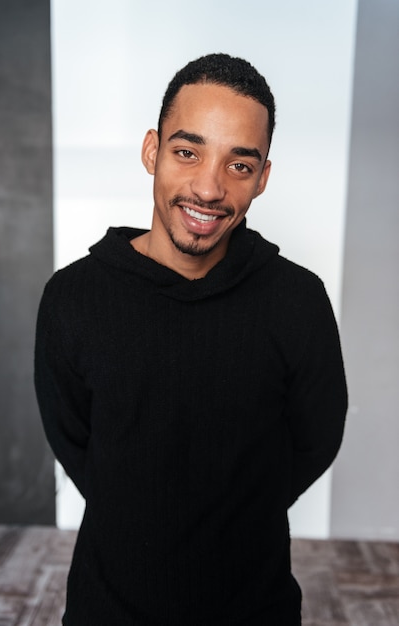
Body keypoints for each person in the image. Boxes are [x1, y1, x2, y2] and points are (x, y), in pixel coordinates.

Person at [34, 53, 348, 626]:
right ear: (152, 151)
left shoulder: (297, 300)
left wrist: (241, 512)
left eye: (239, 165)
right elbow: (74, 437)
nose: (208, 188)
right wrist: (140, 509)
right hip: (110, 608)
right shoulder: (73, 298)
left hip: (255, 608)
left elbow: (317, 437)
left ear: (263, 177)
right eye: (188, 151)